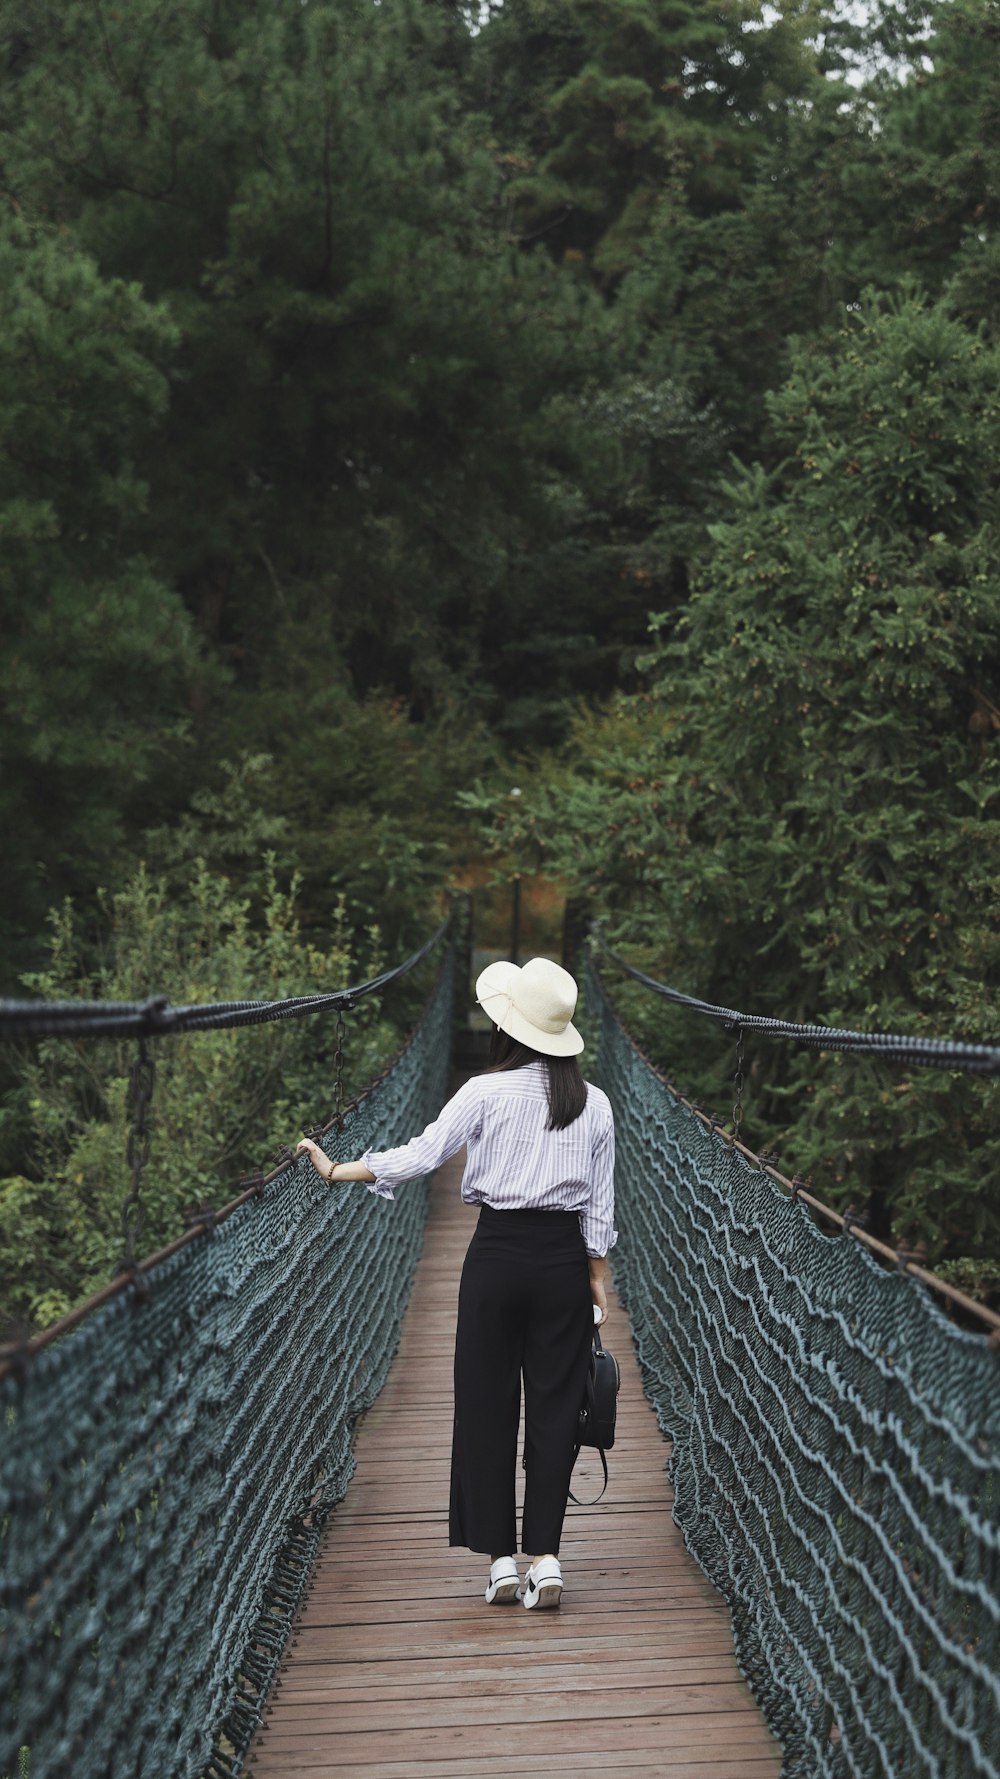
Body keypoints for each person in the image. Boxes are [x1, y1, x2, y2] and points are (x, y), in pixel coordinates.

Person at [296, 954, 616, 1611]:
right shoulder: (597, 1104)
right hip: (561, 1263)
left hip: (495, 1257)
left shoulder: (484, 1091)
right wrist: (596, 1278)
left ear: (509, 1027)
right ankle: (547, 1558)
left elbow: (421, 1155)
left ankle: (501, 1561)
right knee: (556, 1408)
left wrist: (339, 1170)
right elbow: (601, 1209)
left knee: (484, 1403)